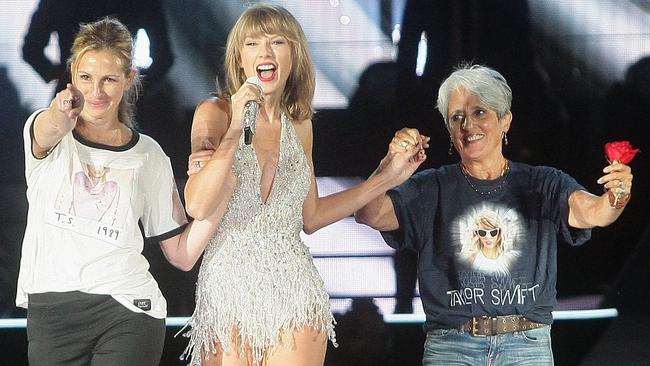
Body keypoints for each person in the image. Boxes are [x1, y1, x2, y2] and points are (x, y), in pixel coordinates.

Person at [355, 64, 634, 365]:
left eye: (479, 113)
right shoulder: (431, 188)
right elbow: (368, 213)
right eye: (457, 117)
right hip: (451, 347)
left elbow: (594, 212)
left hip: (526, 347)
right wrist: (389, 166)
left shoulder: (541, 182)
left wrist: (616, 197)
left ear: (505, 121)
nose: (467, 125)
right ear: (449, 130)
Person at [179, 4, 402, 366]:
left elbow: (311, 217)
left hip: (293, 286)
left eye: (277, 42)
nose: (265, 53)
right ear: (239, 59)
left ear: (293, 55)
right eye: (253, 43)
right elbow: (199, 207)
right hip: (227, 288)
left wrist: (384, 179)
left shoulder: (300, 125)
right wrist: (236, 126)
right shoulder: (214, 114)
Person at [17, 17, 219, 366]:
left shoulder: (149, 155)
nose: (96, 92)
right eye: (86, 78)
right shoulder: (45, 131)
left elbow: (181, 254)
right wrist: (60, 115)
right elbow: (49, 126)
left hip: (128, 308)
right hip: (52, 314)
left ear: (130, 79)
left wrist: (223, 189)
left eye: (109, 79)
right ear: (72, 78)